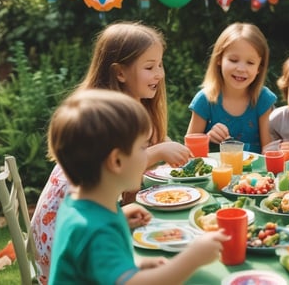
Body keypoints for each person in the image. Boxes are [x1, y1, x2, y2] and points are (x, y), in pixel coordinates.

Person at [31, 21, 191, 284]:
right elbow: (113, 164)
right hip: (57, 235)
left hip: (67, 229)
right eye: (149, 67)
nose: (159, 74)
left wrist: (116, 216)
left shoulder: (111, 109)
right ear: (119, 73)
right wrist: (195, 256)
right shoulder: (105, 116)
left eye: (160, 64)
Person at [47, 89, 228, 284]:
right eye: (143, 147)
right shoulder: (99, 231)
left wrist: (122, 227)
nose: (148, 154)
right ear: (116, 161)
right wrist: (193, 258)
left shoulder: (79, 204)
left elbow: (90, 265)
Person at [186, 22, 277, 154]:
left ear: (259, 68)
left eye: (250, 63)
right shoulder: (204, 100)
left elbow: (268, 152)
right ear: (219, 59)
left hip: (256, 174)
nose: (241, 69)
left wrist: (233, 146)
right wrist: (208, 139)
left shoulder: (263, 99)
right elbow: (189, 153)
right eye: (233, 60)